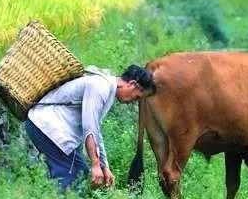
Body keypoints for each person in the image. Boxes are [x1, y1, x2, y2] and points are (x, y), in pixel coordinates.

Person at [25, 64, 156, 192]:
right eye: (137, 97)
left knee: (76, 175)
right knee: (76, 176)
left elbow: (96, 133)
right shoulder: (100, 87)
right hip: (47, 127)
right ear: (132, 84)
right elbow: (90, 127)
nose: (133, 101)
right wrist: (95, 164)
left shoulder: (108, 90)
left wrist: (105, 167)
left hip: (48, 128)